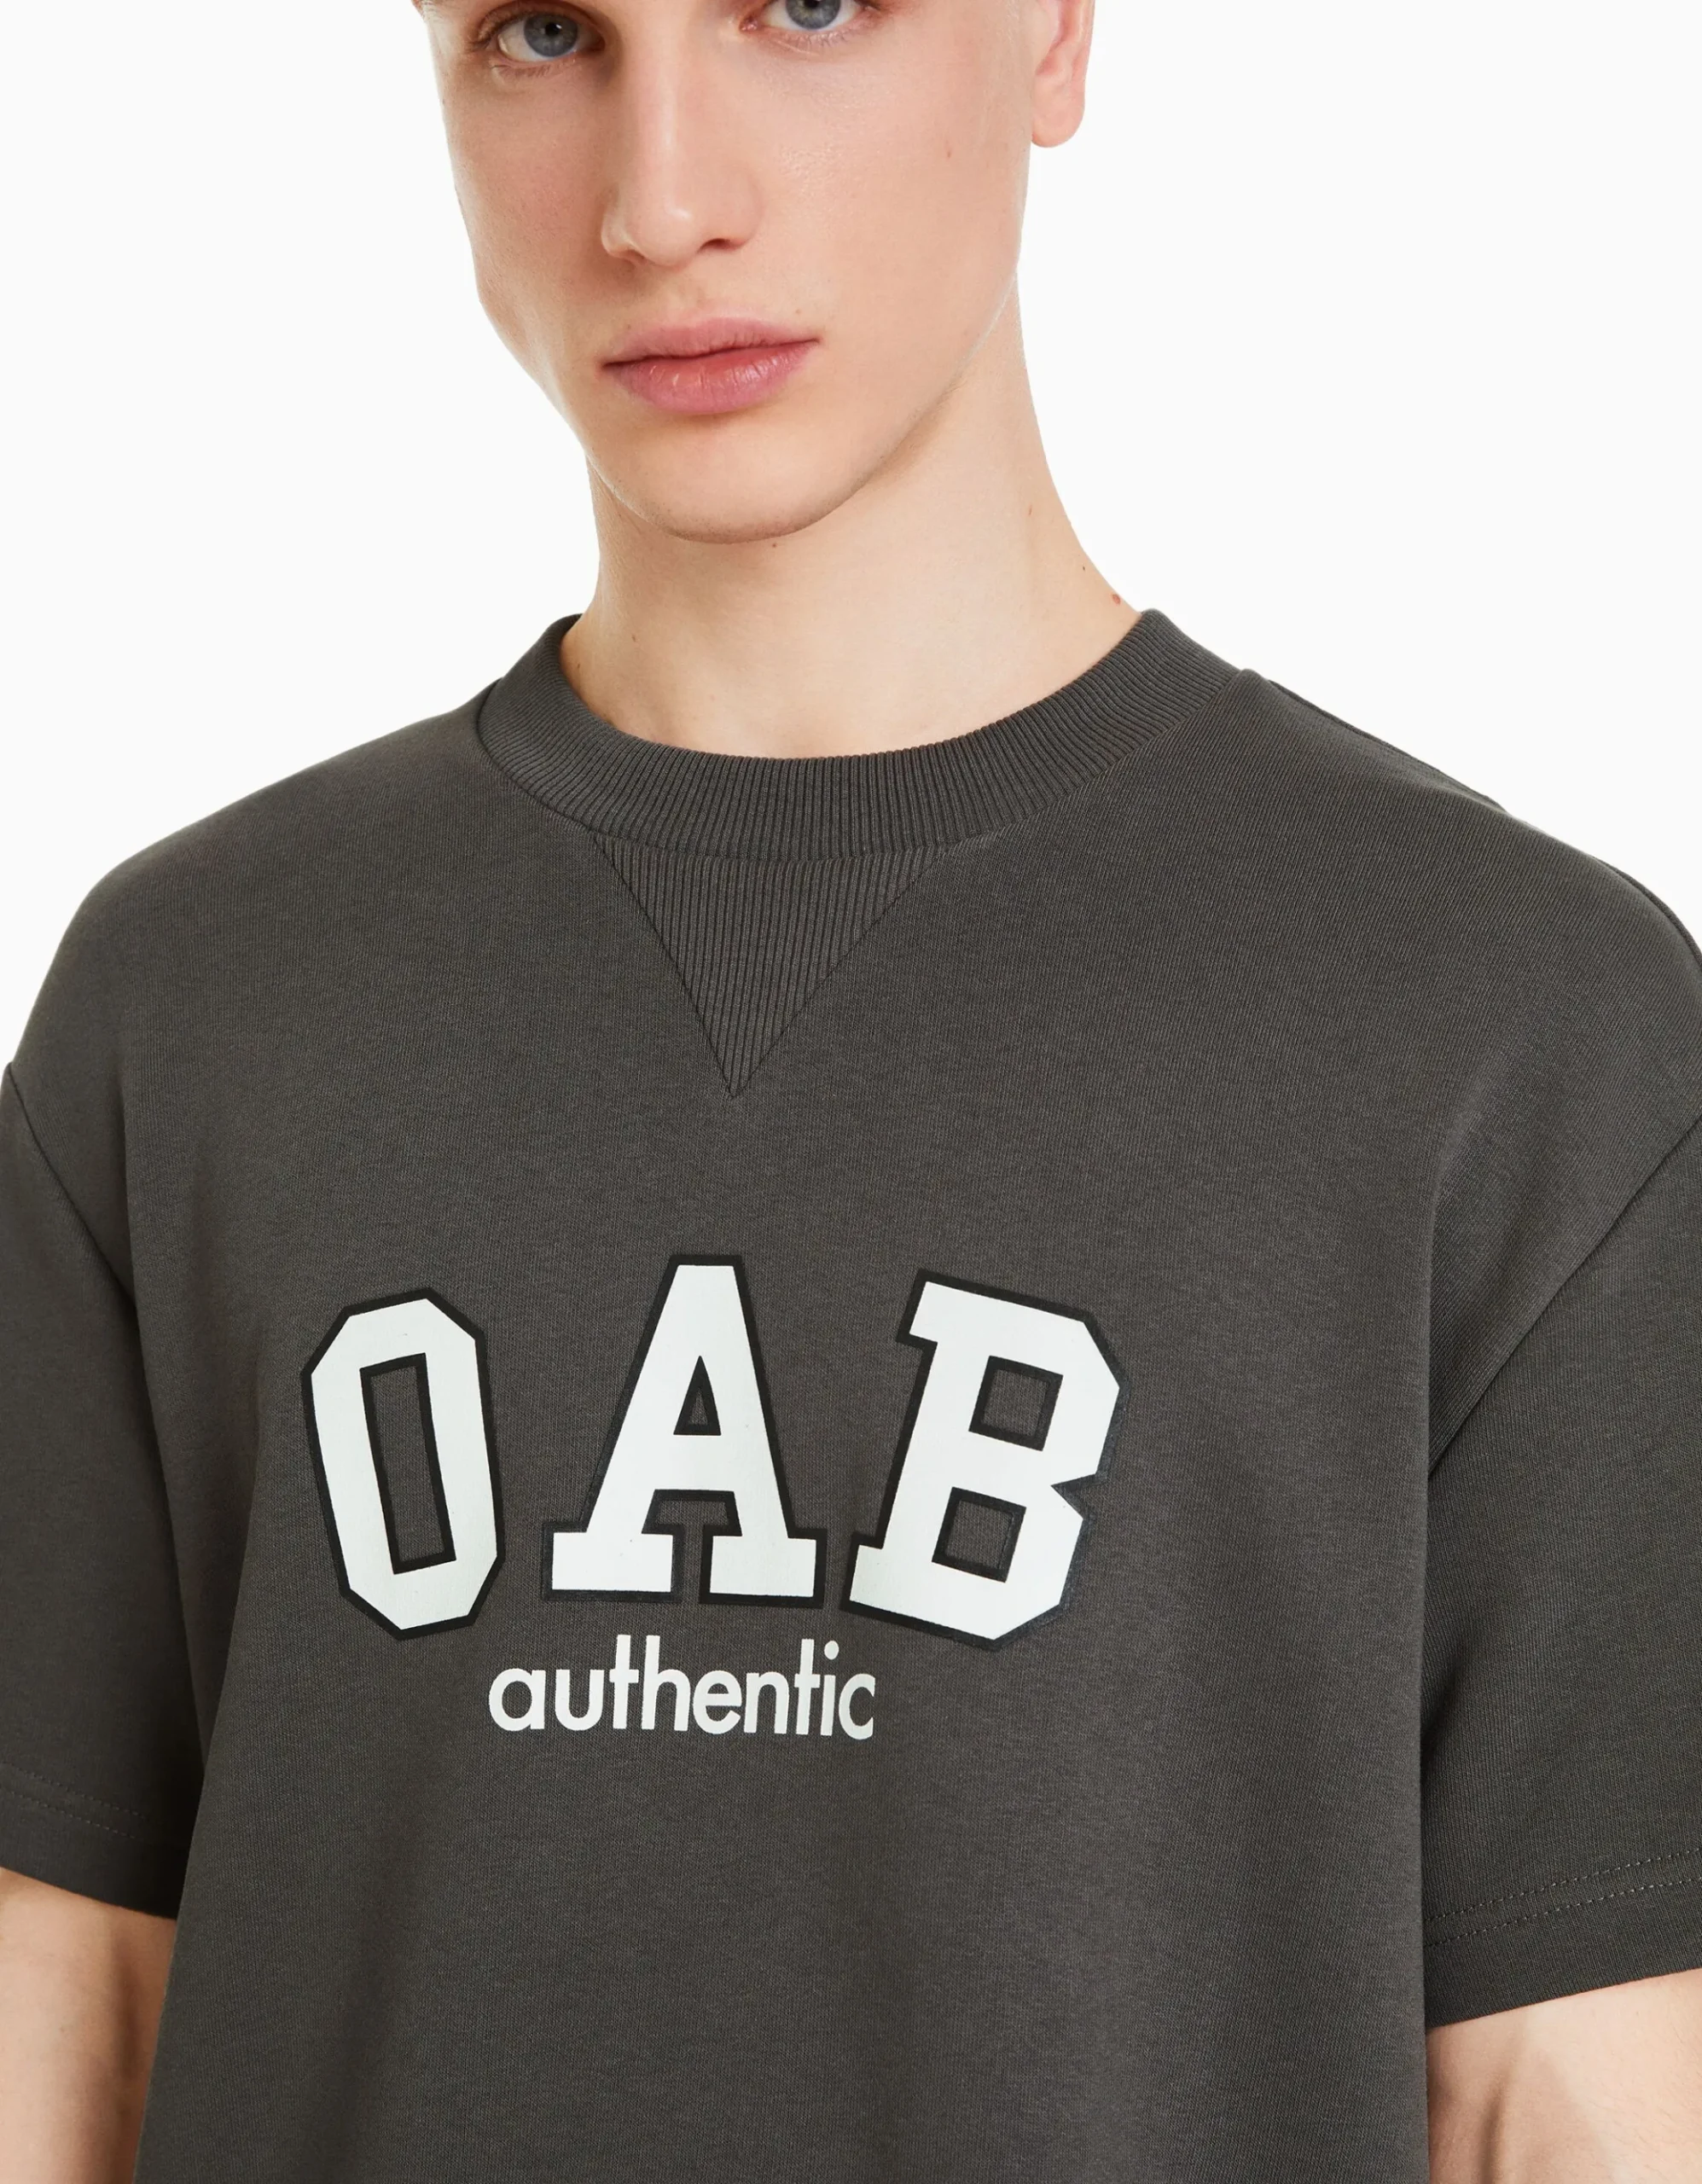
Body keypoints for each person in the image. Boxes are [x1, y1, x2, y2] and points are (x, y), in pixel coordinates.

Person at [1, 0, 1699, 2175]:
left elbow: (1561, 2097)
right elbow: (69, 2016)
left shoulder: (1508, 1026)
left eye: (807, 6)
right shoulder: (189, 1004)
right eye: (541, 34)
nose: (659, 200)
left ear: (1054, 34)